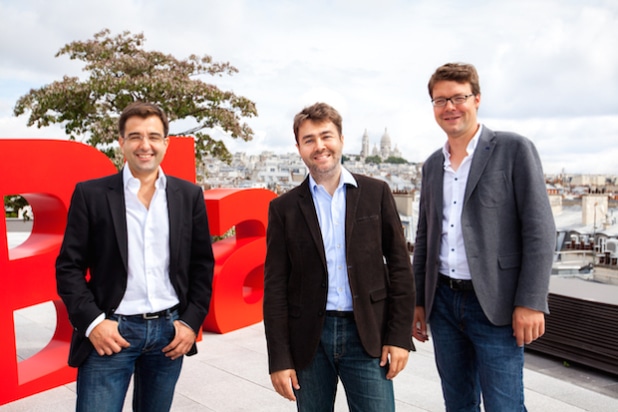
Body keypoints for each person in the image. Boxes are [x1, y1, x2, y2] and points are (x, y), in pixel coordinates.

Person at [412, 62, 556, 411]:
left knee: (504, 405)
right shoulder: (432, 165)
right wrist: (419, 301)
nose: (449, 107)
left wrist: (531, 301)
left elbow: (539, 230)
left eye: (458, 97)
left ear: (477, 99)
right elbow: (425, 237)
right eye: (440, 100)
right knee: (458, 404)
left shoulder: (513, 149)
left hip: (495, 303)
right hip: (443, 302)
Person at [56, 102, 215, 412]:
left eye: (154, 136)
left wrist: (190, 323)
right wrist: (93, 323)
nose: (145, 145)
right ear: (121, 142)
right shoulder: (91, 195)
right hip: (111, 333)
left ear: (166, 143)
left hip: (169, 334)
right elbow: (68, 267)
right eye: (135, 136)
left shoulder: (188, 195)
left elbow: (201, 265)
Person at [263, 102, 415, 412]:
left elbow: (400, 267)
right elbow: (275, 286)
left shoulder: (376, 193)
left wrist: (399, 336)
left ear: (342, 140)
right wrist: (279, 358)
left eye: (326, 136)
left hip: (367, 334)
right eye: (309, 139)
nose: (319, 146)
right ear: (299, 148)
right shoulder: (284, 209)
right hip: (309, 340)